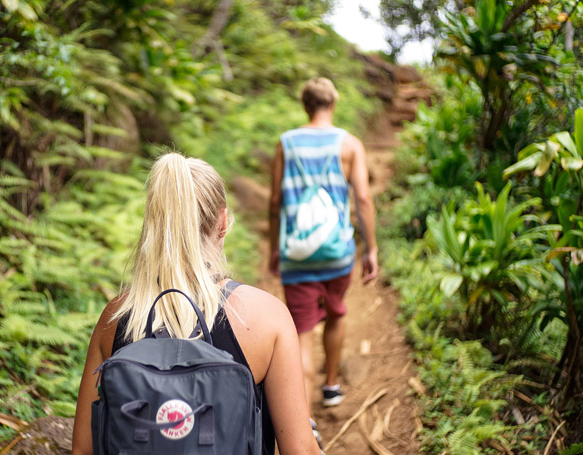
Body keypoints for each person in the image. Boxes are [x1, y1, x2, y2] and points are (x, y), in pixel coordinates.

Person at [72, 153, 321, 455]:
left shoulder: (116, 318)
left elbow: (84, 450)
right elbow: (299, 450)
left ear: (154, 222)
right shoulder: (266, 317)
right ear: (223, 222)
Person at [269, 77, 379, 418]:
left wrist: (276, 247)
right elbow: (362, 197)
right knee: (335, 313)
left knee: (301, 333)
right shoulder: (350, 145)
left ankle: (303, 418)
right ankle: (331, 387)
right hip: (337, 252)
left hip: (296, 253)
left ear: (305, 105)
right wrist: (370, 249)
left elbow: (275, 202)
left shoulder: (286, 143)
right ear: (333, 104)